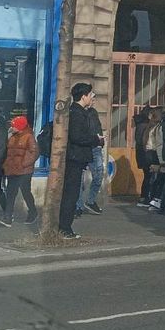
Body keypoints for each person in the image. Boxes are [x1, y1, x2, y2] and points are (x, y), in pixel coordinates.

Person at [60, 83, 102, 239]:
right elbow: (77, 136)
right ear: (83, 96)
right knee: (71, 194)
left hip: (76, 157)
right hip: (75, 157)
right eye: (91, 95)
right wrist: (95, 139)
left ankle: (64, 226)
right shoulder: (77, 113)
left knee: (71, 193)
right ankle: (65, 228)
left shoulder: (77, 112)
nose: (92, 98)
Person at [0, 115, 38, 227]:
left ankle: (33, 211)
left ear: (20, 127)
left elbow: (33, 153)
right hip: (12, 169)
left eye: (14, 126)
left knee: (25, 192)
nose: (12, 127)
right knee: (11, 193)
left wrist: (23, 164)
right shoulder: (12, 136)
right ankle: (8, 217)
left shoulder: (28, 136)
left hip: (24, 170)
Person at [76, 97, 105, 216]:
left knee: (99, 174)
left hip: (95, 147)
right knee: (79, 180)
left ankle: (91, 200)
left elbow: (97, 127)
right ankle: (78, 206)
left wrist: (101, 141)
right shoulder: (78, 113)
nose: (93, 102)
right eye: (91, 99)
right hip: (83, 147)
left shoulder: (93, 112)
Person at [134, 107, 163, 208]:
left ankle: (145, 197)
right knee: (151, 177)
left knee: (148, 176)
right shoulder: (149, 126)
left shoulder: (141, 125)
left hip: (144, 154)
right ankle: (148, 198)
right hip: (149, 154)